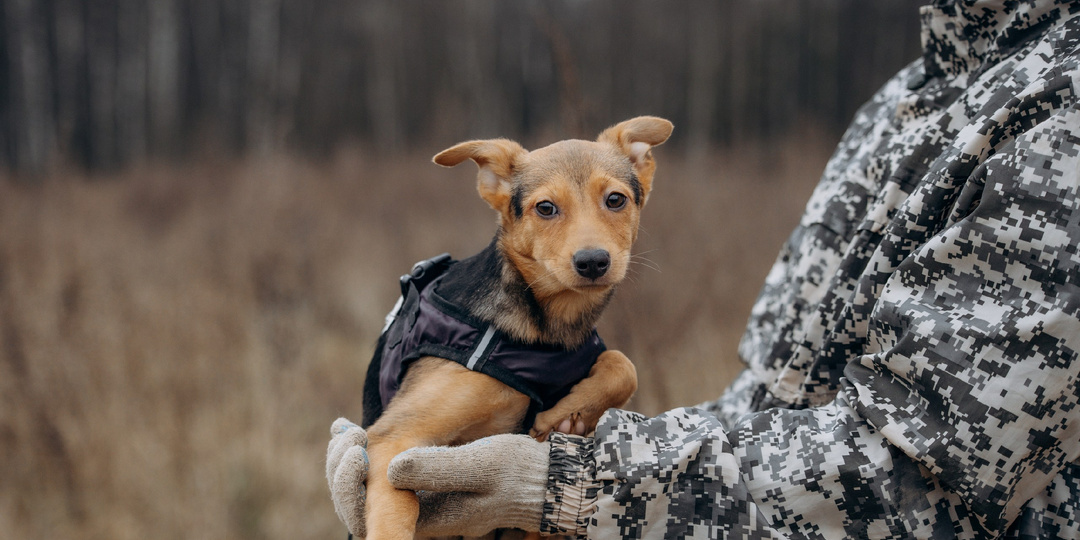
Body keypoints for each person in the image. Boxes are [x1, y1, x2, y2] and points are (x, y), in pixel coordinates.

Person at [327, 1, 1080, 537]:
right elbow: (773, 401)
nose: (591, 238)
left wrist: (574, 488)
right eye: (548, 210)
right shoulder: (904, 98)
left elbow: (926, 478)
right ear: (502, 199)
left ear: (641, 185)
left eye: (616, 200)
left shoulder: (1057, 110)